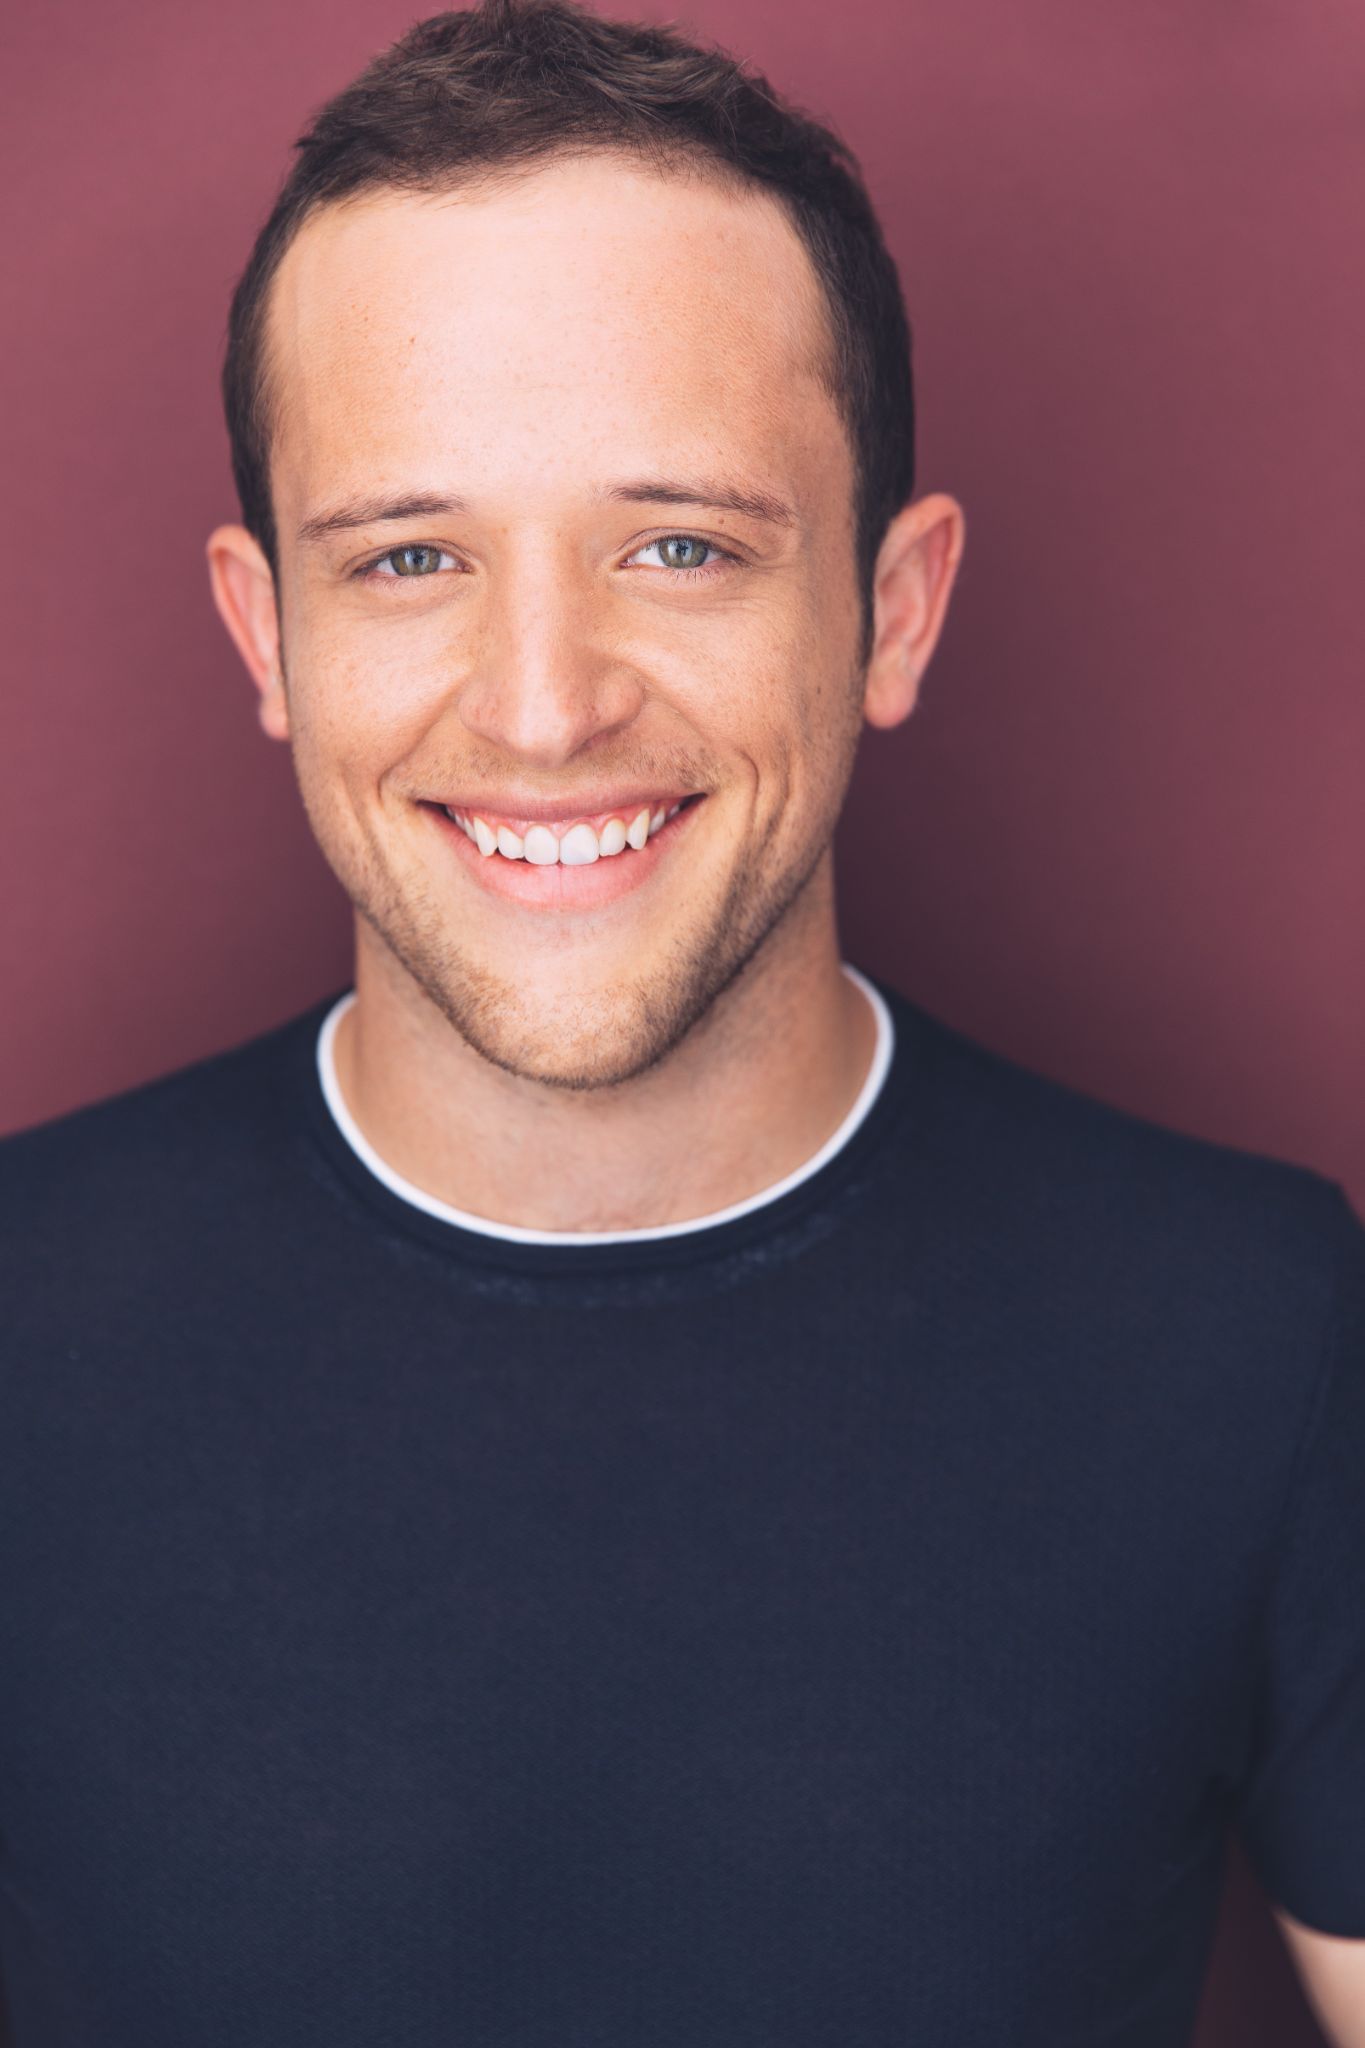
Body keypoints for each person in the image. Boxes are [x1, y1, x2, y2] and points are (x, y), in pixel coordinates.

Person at [1, 0, 1362, 2040]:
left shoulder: (1256, 1332)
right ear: (264, 632)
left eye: (677, 545)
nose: (545, 704)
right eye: (409, 556)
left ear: (890, 608)